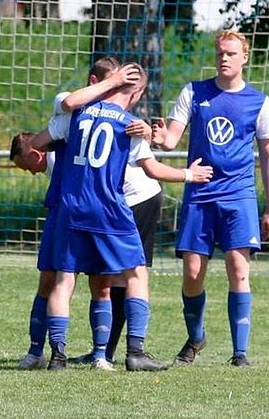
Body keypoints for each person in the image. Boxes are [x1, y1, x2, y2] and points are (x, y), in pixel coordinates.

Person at [11, 61, 212, 371]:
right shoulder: (128, 124)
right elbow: (152, 169)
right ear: (137, 92)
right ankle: (135, 351)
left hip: (70, 206)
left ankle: (59, 358)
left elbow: (38, 143)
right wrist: (189, 174)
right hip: (108, 209)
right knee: (135, 273)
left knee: (63, 280)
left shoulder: (74, 114)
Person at [151, 29, 269, 367]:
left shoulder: (259, 102)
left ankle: (240, 353)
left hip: (239, 196)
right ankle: (196, 337)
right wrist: (162, 138)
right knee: (193, 273)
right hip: (200, 194)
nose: (224, 58)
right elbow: (172, 138)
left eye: (231, 53)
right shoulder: (194, 92)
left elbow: (267, 155)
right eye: (220, 52)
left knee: (239, 269)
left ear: (244, 58)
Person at [9, 57, 139, 370]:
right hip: (64, 210)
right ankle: (39, 351)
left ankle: (98, 355)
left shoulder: (114, 119)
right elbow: (66, 103)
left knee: (101, 285)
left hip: (95, 212)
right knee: (52, 280)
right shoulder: (69, 109)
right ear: (95, 83)